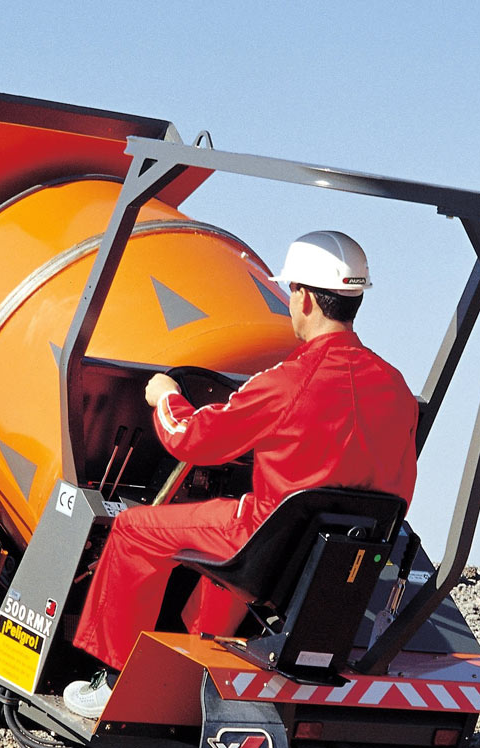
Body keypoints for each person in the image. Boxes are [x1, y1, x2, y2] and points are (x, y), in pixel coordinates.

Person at [63, 231, 419, 718]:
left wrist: (164, 396)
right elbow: (401, 488)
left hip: (264, 537)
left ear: (305, 297)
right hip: (344, 554)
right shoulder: (396, 387)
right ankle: (202, 662)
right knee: (223, 554)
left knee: (134, 529)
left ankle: (115, 680)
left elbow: (191, 440)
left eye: (291, 292)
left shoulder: (286, 382)